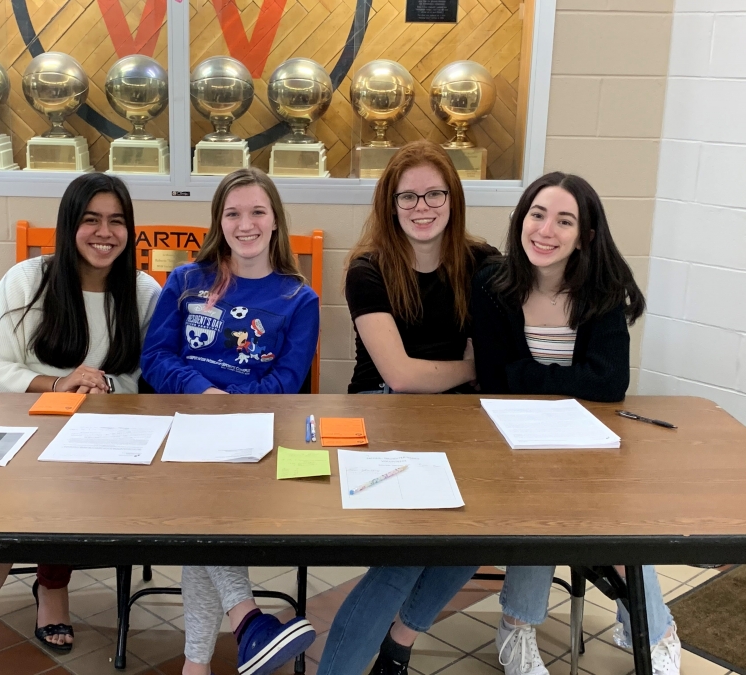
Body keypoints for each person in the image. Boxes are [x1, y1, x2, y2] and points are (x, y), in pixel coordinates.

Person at [471, 171, 680, 675]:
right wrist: (569, 378)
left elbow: (610, 385)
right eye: (537, 215)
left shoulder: (603, 290)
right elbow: (497, 379)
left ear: (585, 236)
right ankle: (518, 626)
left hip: (590, 439)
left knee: (621, 513)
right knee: (539, 500)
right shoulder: (493, 284)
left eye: (564, 221)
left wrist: (533, 375)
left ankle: (652, 628)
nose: (546, 230)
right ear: (521, 219)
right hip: (510, 438)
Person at [0, 173, 161, 653]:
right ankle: (24, 565)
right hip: (22, 420)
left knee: (73, 473)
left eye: (116, 221)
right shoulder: (27, 280)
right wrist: (59, 383)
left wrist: (102, 383)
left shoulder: (143, 292)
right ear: (69, 224)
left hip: (98, 433)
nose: (104, 233)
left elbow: (146, 376)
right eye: (90, 220)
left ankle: (31, 574)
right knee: (45, 463)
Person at [317, 140, 498, 675]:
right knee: (411, 548)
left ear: (453, 198)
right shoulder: (367, 270)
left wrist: (458, 375)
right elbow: (398, 375)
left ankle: (401, 637)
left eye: (434, 194)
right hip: (379, 413)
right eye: (408, 197)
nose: (422, 207)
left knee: (480, 528)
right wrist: (469, 368)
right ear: (390, 204)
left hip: (460, 421)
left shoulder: (485, 266)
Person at [140, 167, 320, 675]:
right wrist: (204, 392)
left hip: (254, 436)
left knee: (204, 513)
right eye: (233, 213)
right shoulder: (186, 280)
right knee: (204, 508)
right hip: (184, 425)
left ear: (275, 222)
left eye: (257, 211)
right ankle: (244, 624)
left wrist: (231, 403)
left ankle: (211, 654)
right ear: (219, 222)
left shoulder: (298, 298)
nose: (246, 224)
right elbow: (155, 357)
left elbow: (288, 381)